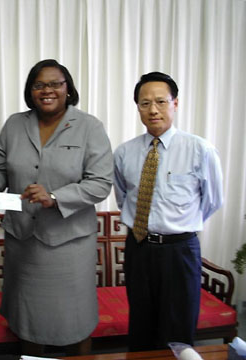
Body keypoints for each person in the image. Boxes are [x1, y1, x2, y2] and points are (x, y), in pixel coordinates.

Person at [0, 59, 113, 356]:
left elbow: (101, 183)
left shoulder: (89, 127)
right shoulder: (15, 124)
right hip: (23, 243)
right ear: (30, 91)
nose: (47, 90)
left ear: (68, 89)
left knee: (75, 321)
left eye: (55, 83)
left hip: (69, 247)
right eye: (39, 85)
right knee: (28, 323)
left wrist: (54, 197)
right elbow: (1, 166)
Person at [113, 71, 223, 351]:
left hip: (180, 251)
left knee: (178, 330)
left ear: (175, 103)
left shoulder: (200, 149)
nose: (153, 110)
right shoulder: (124, 153)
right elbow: (123, 198)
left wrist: (178, 225)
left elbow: (212, 201)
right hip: (138, 248)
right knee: (141, 328)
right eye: (145, 103)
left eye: (161, 102)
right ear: (137, 107)